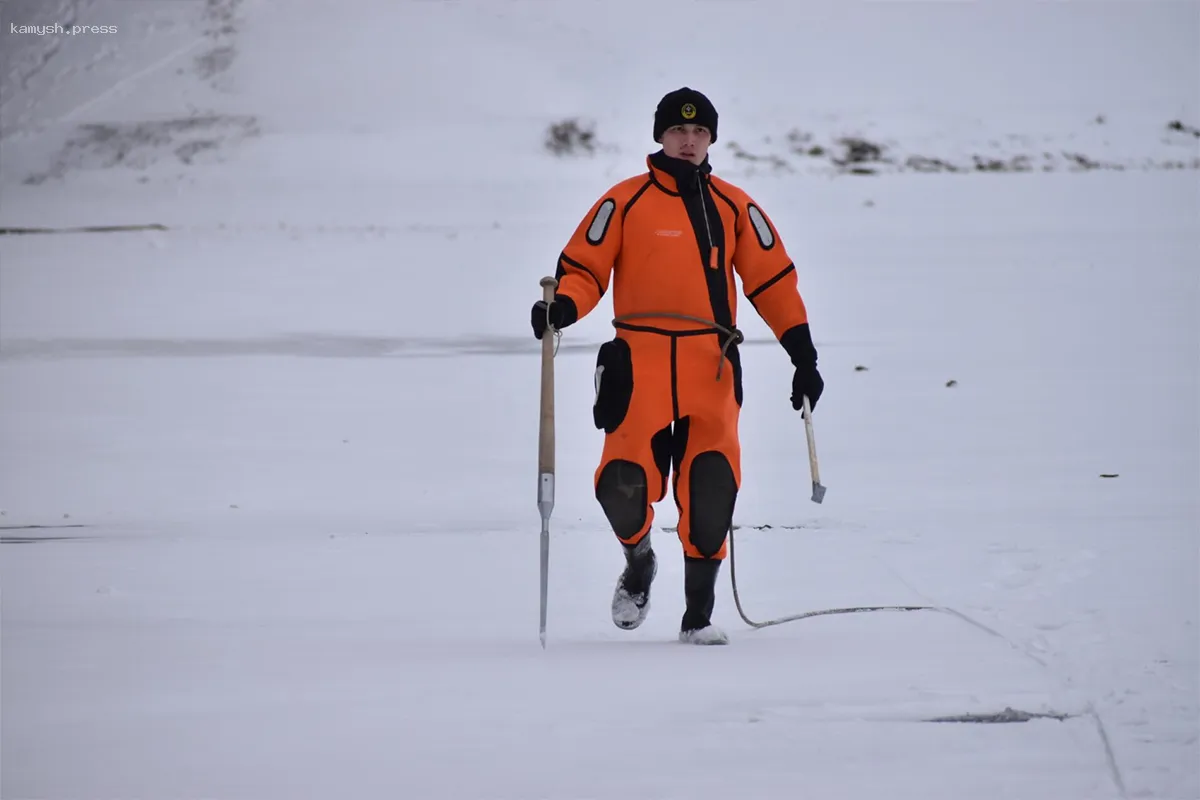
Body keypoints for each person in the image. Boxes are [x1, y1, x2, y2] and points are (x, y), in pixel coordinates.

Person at [530, 87, 824, 645]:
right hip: (636, 368)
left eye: (699, 133)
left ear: (711, 138)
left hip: (709, 368)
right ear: (660, 135)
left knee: (712, 487)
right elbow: (584, 268)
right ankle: (639, 562)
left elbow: (773, 281)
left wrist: (803, 356)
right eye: (677, 132)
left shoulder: (735, 207)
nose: (688, 142)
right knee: (621, 484)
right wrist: (562, 306)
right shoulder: (624, 202)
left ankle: (698, 619)